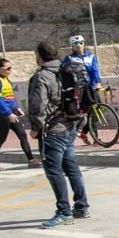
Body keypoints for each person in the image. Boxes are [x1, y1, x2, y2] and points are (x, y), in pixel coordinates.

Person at [28, 42, 90, 228]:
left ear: (40, 56)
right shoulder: (67, 71)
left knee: (54, 171)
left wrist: (36, 128)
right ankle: (82, 206)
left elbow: (38, 106)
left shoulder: (42, 76)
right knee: (71, 167)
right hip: (70, 126)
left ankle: (64, 211)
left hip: (53, 130)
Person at [0, 56, 38, 171]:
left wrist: (17, 108)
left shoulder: (6, 80)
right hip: (2, 115)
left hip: (12, 113)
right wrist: (8, 113)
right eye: (8, 68)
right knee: (1, 138)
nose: (10, 70)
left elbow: (10, 97)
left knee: (22, 135)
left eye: (11, 67)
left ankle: (31, 160)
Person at [63, 35, 103, 146]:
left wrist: (98, 82)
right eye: (75, 44)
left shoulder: (90, 56)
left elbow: (95, 70)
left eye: (81, 43)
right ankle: (75, 133)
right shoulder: (69, 58)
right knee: (81, 114)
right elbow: (64, 73)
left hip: (91, 87)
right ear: (72, 46)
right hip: (79, 89)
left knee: (96, 111)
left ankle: (86, 134)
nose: (79, 46)